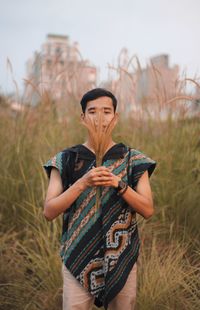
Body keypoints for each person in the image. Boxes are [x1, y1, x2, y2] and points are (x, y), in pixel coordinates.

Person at [43, 88, 157, 310]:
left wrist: (118, 184)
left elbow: (148, 209)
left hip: (122, 257)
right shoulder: (65, 159)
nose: (100, 118)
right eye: (92, 111)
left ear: (115, 117)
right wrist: (82, 183)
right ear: (82, 117)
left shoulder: (133, 159)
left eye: (106, 111)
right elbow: (49, 211)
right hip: (77, 256)